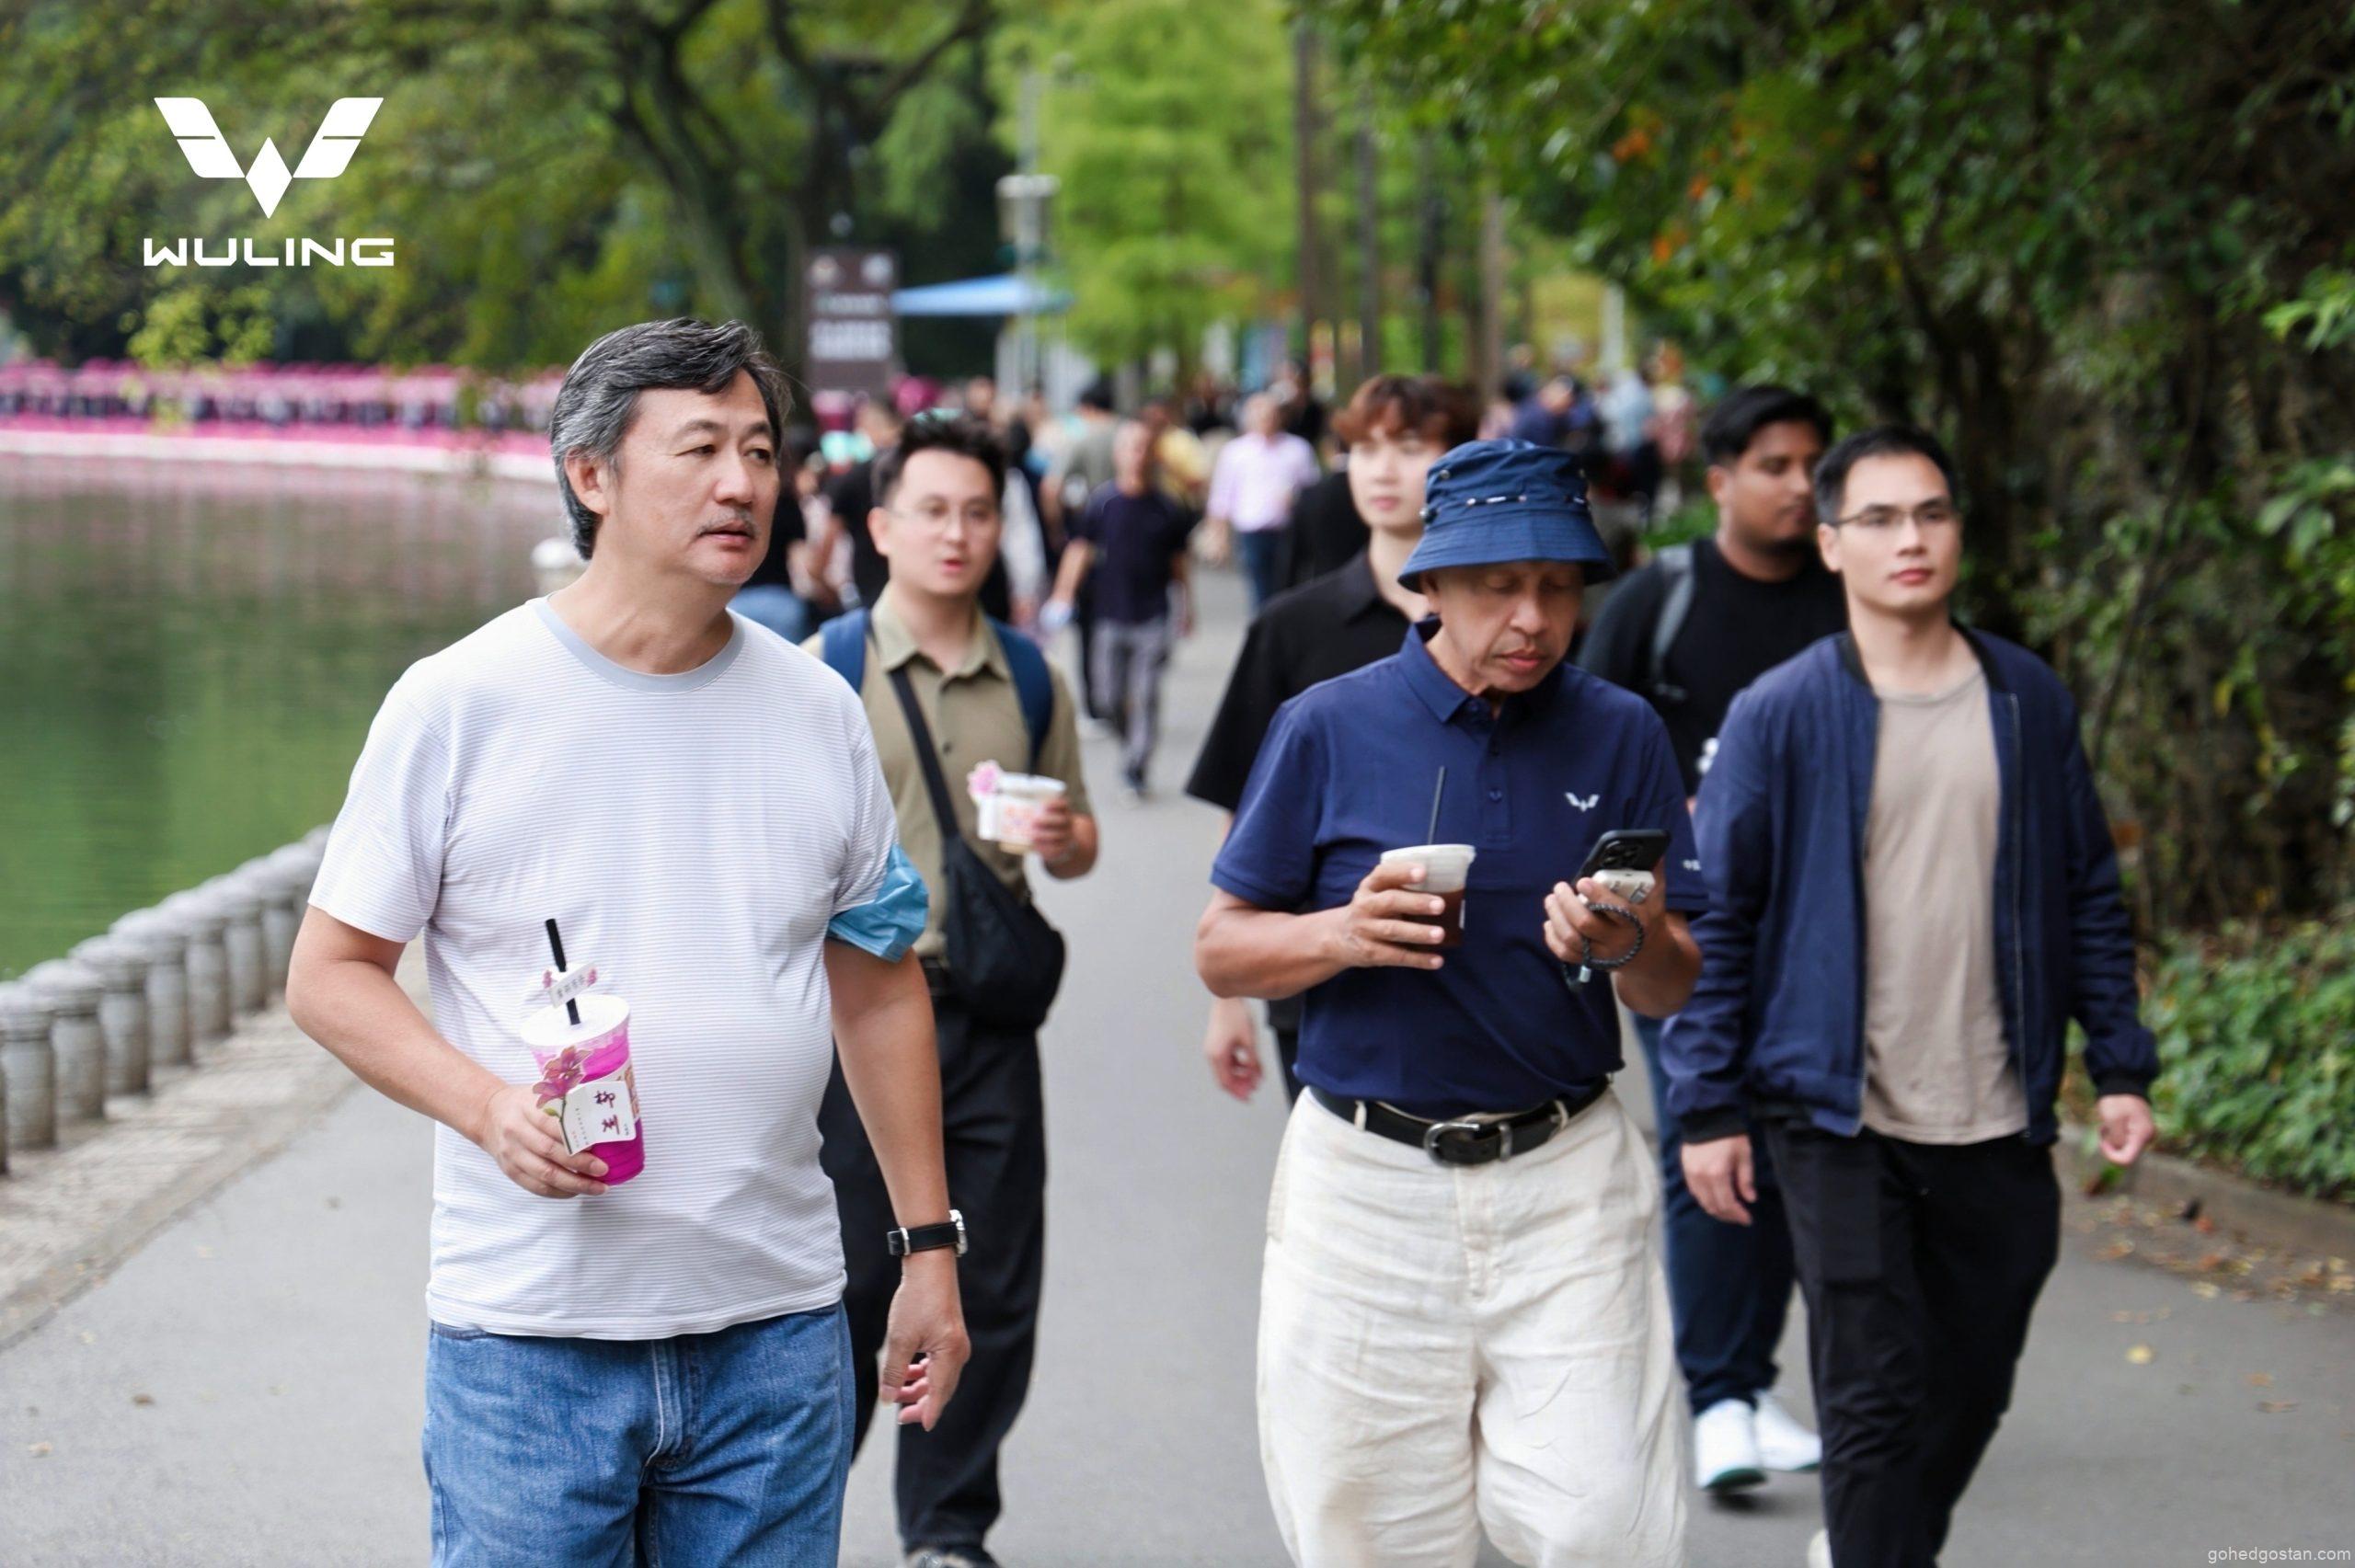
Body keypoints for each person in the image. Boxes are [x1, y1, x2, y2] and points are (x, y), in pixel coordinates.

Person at [284, 318, 970, 1565]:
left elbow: (877, 985)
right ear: (591, 474)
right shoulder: (460, 703)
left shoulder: (818, 710)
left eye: (759, 450)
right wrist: (488, 1108)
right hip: (530, 1340)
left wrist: (928, 1250)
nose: (742, 483)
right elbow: (330, 975)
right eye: (700, 448)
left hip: (774, 1331)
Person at [1194, 439, 1703, 1567]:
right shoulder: (1326, 723)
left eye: (1559, 587)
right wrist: (1340, 933)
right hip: (1365, 1183)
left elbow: (1673, 980)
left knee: (1601, 1524)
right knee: (1369, 1536)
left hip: (1564, 1174)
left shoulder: (1620, 728)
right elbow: (1221, 949)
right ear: (1430, 583)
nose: (1534, 618)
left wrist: (1626, 941)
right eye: (1499, 586)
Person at [1662, 425, 2161, 1568]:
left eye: (1931, 513)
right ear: (1831, 544)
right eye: (1879, 518)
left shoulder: (2025, 697)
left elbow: (2085, 888)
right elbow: (1719, 915)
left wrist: (2119, 1064)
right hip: (1835, 1111)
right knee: (1871, 1391)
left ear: (1958, 534)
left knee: (1970, 1382)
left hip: (1995, 1107)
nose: (1911, 538)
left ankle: (1866, 1544)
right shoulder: (1781, 711)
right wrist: (1708, 1105)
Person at [805, 414, 1097, 1568]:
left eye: (978, 511)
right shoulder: (820, 671)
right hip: (847, 1018)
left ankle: (946, 1528)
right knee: (844, 1282)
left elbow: (1076, 846)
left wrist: (1066, 838)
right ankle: (794, 1520)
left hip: (983, 1016)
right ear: (880, 526)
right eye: (931, 510)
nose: (957, 533)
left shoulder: (1028, 674)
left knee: (993, 1281)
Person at [1577, 384, 1845, 1495]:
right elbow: (1584, 744)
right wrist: (1630, 885)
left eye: (1812, 465)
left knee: (1788, 1144)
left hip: (1820, 920)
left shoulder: (1845, 599)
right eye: (1774, 465)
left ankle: (1746, 1380)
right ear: (1721, 478)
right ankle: (1718, 1396)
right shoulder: (1661, 596)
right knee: (1706, 1128)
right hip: (1682, 923)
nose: (1798, 486)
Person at [1188, 374, 1480, 1104]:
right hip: (1320, 983)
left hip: (1481, 980)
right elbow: (1243, 812)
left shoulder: (1503, 631)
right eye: (1364, 449)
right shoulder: (1292, 627)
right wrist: (1228, 998)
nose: (1382, 470)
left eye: (1409, 447)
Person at [1044, 419, 1196, 799]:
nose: (1137, 455)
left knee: (1145, 694)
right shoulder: (1102, 503)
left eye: (1144, 447)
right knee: (1107, 697)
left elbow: (1179, 562)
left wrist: (1187, 606)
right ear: (1118, 454)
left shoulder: (1166, 507)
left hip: (1153, 614)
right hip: (1109, 613)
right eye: (1130, 447)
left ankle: (1136, 765)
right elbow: (1079, 550)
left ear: (1153, 454)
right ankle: (1129, 739)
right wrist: (1063, 594)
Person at [1043, 381, 1122, 723]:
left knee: (1090, 627)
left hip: (1092, 542)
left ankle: (1095, 703)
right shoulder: (1129, 436)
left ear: (1087, 408)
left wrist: (1057, 530)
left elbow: (1051, 488)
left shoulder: (1081, 441)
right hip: (1130, 538)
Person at [1206, 392, 1322, 612]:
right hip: (1252, 531)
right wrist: (1218, 537)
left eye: (1270, 415)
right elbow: (1221, 498)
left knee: (1289, 589)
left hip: (1288, 529)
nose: (1265, 420)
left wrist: (1296, 500)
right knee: (1260, 592)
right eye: (1259, 415)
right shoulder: (1236, 452)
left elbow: (1312, 491)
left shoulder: (1297, 449)